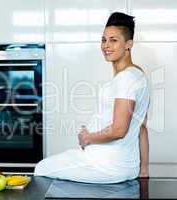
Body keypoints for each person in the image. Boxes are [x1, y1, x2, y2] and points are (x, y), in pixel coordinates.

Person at [34, 12, 150, 183]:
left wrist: (87, 137)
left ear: (129, 44)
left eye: (114, 40)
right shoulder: (138, 75)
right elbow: (141, 128)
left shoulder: (126, 79)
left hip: (106, 165)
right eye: (104, 40)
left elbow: (119, 130)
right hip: (120, 164)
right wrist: (144, 171)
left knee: (42, 168)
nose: (106, 45)